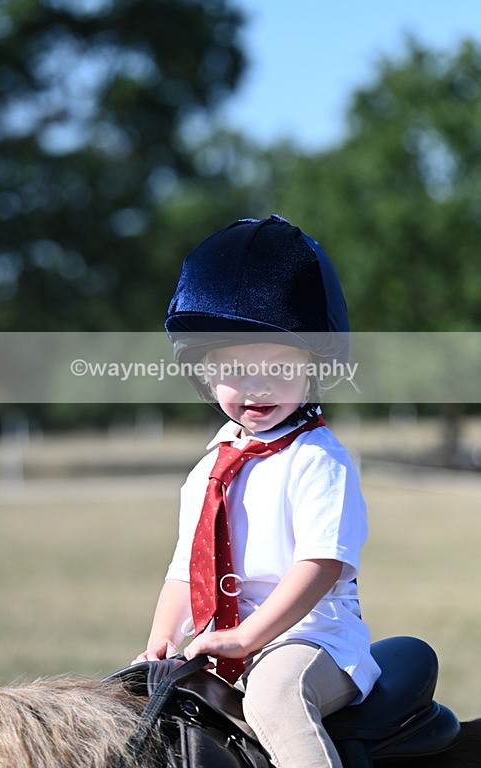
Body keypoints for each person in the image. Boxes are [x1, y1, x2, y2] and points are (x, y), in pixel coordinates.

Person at [134, 215, 381, 768]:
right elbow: (185, 571)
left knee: (276, 700)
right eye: (235, 369)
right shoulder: (208, 470)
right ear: (204, 373)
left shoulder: (317, 458)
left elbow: (321, 565)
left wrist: (247, 638)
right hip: (224, 641)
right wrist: (160, 640)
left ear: (313, 367)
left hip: (311, 639)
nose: (257, 385)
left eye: (277, 365)